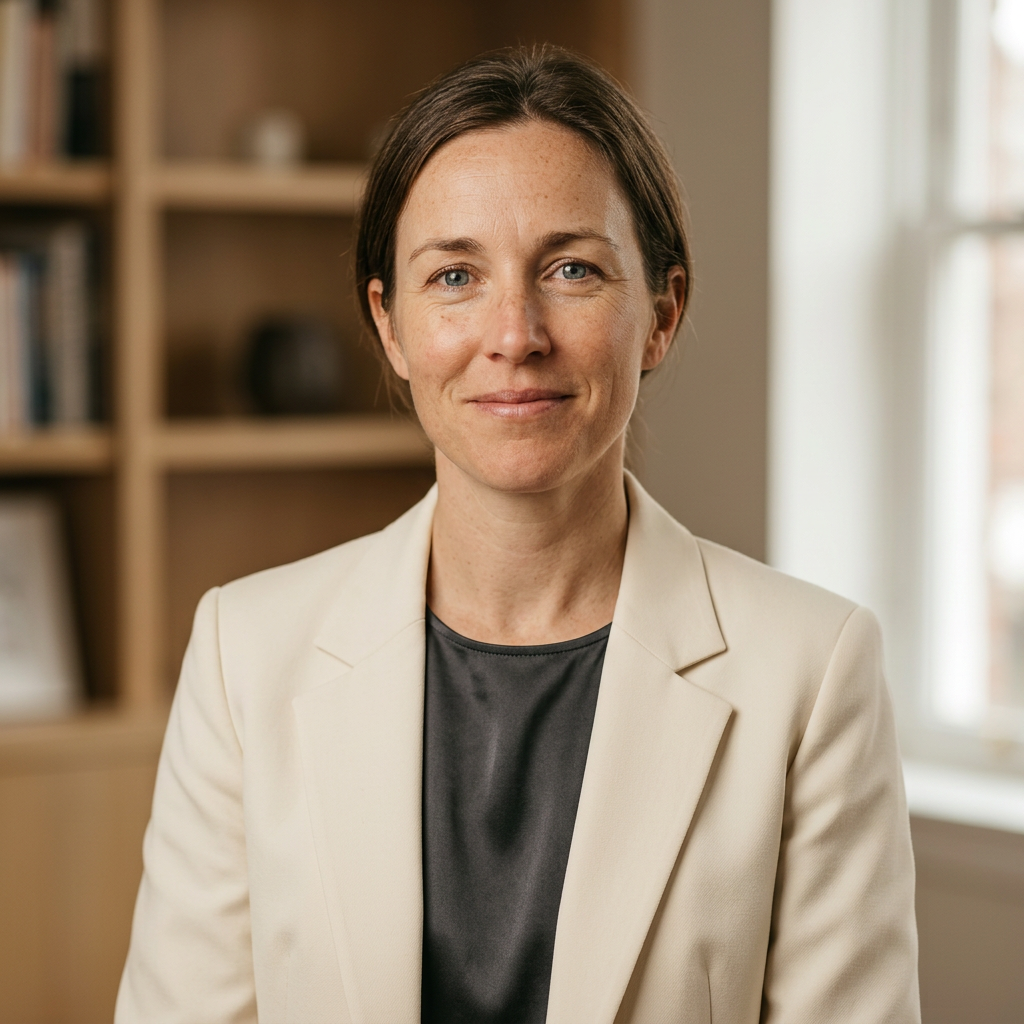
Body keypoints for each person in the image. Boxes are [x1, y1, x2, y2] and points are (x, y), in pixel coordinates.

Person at [115, 46, 920, 1024]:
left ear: (661, 314)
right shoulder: (246, 653)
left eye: (572, 269)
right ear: (391, 327)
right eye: (454, 275)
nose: (514, 333)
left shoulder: (812, 669)